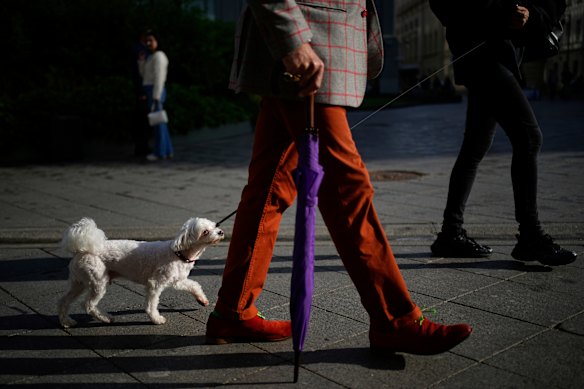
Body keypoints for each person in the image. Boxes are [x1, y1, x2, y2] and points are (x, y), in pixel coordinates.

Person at [205, 1, 472, 355]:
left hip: (312, 45)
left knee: (269, 189)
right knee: (347, 187)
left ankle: (232, 310)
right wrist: (293, 42)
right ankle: (395, 320)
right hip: (308, 46)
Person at [429, 0, 577, 266]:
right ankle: (530, 237)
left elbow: (553, 5)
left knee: (475, 146)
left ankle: (450, 233)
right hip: (481, 55)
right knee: (528, 138)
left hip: (503, 54)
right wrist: (499, 15)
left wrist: (530, 17)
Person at [138, 30, 174, 161]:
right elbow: (145, 76)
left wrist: (156, 96)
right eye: (147, 41)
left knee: (158, 123)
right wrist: (141, 62)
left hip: (155, 92)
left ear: (157, 41)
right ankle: (167, 150)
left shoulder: (159, 56)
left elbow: (160, 77)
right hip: (151, 91)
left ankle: (160, 152)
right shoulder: (150, 56)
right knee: (160, 122)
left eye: (151, 40)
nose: (148, 43)